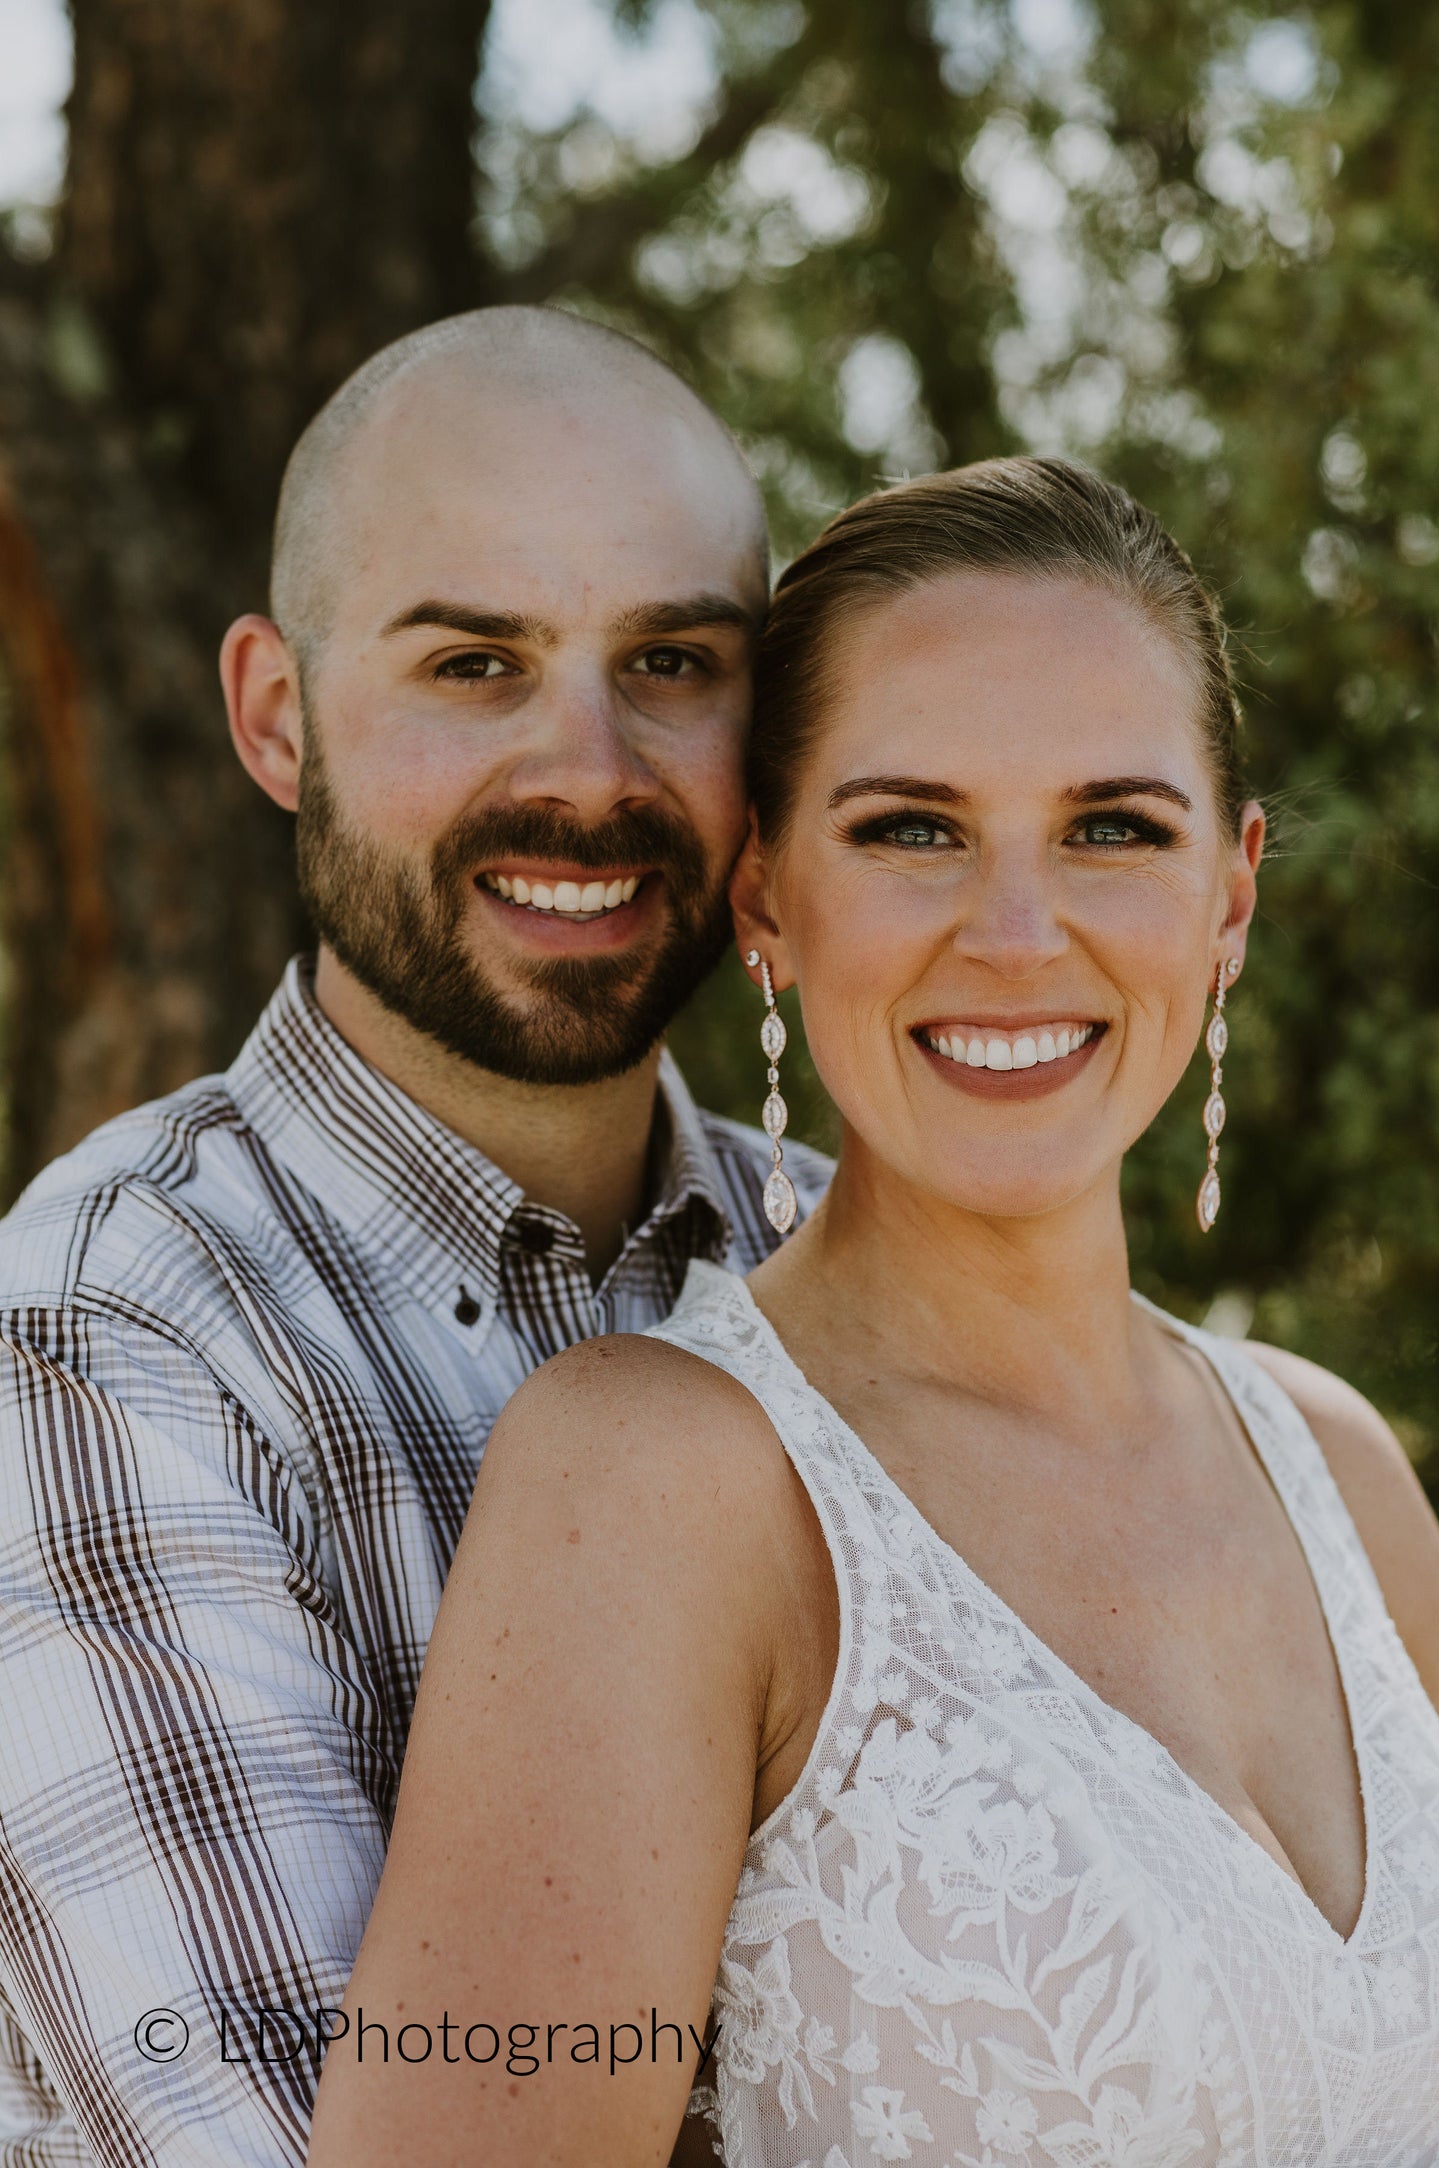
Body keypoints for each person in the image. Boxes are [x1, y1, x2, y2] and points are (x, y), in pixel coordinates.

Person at [306, 458, 1439, 2168]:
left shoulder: (1339, 1468)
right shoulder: (657, 1488)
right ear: (764, 892)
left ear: (1229, 893)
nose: (1012, 933)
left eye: (1112, 829)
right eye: (910, 828)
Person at [0, 306, 829, 2166]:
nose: (590, 773)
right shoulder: (100, 1342)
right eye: (475, 662)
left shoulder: (853, 1266)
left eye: (673, 661)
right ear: (277, 717)